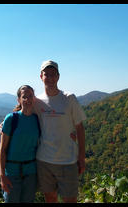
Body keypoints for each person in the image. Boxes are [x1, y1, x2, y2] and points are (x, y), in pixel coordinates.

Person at [33, 60, 86, 203]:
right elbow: (23, 113)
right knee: (50, 198)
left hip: (67, 160)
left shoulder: (69, 98)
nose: (49, 77)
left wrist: (81, 157)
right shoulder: (37, 101)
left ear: (58, 76)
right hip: (44, 160)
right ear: (41, 76)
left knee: (70, 199)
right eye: (46, 74)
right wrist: (5, 123)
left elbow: (80, 128)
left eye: (53, 74)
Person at [0, 85, 41, 203]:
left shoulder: (37, 119)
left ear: (34, 98)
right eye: (24, 97)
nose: (27, 99)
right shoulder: (11, 119)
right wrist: (2, 176)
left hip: (31, 173)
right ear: (19, 100)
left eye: (30, 96)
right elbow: (2, 150)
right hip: (12, 173)